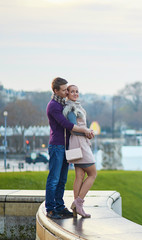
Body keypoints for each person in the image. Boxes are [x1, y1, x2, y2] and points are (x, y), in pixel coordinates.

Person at [46, 77, 94, 219]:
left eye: (68, 89)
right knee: (54, 179)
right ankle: (50, 209)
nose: (67, 92)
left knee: (62, 179)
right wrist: (85, 131)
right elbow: (66, 125)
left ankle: (60, 207)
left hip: (66, 146)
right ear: (55, 91)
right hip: (57, 146)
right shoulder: (54, 106)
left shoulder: (63, 104)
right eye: (64, 90)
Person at [63, 85, 97, 218]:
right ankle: (78, 203)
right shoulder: (71, 109)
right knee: (93, 173)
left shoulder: (76, 107)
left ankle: (77, 209)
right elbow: (73, 128)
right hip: (79, 143)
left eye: (77, 91)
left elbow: (80, 127)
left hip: (77, 142)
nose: (75, 93)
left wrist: (88, 132)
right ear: (67, 94)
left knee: (79, 176)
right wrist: (86, 132)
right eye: (72, 91)